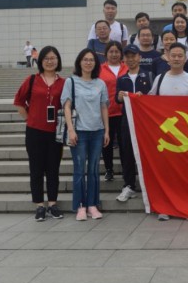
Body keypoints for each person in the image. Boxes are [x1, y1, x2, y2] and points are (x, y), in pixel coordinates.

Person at [151, 42, 188, 221]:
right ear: (167, 56)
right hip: (166, 137)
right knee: (167, 174)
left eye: (180, 55)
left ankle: (187, 207)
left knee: (187, 174)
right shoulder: (159, 79)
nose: (176, 58)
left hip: (187, 137)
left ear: (185, 58)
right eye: (173, 55)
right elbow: (149, 103)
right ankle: (165, 207)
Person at [14, 46, 65, 221]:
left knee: (53, 169)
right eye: (46, 58)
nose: (50, 61)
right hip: (34, 132)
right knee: (36, 169)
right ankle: (39, 206)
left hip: (55, 133)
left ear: (58, 60)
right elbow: (19, 101)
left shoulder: (64, 82)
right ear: (41, 61)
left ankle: (52, 204)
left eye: (53, 58)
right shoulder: (32, 80)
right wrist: (30, 119)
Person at [62, 49, 110, 221]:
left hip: (97, 131)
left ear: (96, 63)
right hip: (79, 131)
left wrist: (107, 130)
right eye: (85, 59)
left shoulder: (100, 83)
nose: (88, 62)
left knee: (94, 169)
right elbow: (67, 106)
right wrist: (71, 129)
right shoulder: (71, 82)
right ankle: (80, 206)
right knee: (79, 169)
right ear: (79, 62)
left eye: (91, 60)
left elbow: (104, 107)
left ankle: (92, 205)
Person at [116, 45, 152, 203]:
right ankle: (129, 185)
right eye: (127, 57)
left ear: (139, 57)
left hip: (145, 121)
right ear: (124, 59)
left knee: (148, 152)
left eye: (133, 56)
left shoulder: (149, 75)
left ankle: (150, 185)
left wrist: (143, 97)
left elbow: (154, 96)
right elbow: (117, 100)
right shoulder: (122, 79)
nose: (130, 59)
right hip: (127, 120)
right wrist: (119, 97)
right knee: (127, 153)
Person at [98, 41, 128, 182]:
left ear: (121, 54)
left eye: (117, 51)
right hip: (106, 112)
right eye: (111, 51)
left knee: (124, 144)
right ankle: (109, 169)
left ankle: (126, 169)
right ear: (106, 54)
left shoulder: (127, 68)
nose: (114, 54)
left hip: (124, 113)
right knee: (107, 143)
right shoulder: (99, 69)